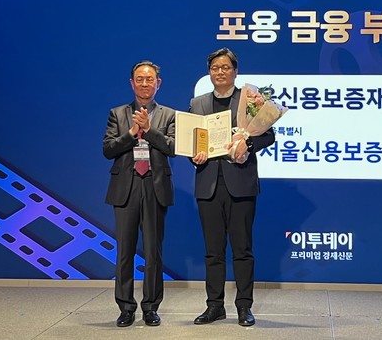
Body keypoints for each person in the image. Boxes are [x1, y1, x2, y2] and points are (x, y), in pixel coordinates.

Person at [189, 48, 275, 327]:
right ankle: (214, 306)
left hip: (241, 183)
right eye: (215, 68)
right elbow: (191, 140)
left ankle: (244, 306)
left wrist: (247, 143)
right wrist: (194, 154)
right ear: (209, 72)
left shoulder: (250, 100)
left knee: (242, 249)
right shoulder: (197, 104)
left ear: (235, 71)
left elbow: (269, 135)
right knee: (212, 251)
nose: (220, 72)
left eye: (226, 67)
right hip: (208, 184)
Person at [102, 60, 176, 328]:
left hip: (155, 186)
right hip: (127, 185)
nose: (145, 84)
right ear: (132, 83)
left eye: (150, 79)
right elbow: (108, 149)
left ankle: (151, 307)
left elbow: (172, 147)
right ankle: (125, 308)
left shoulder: (169, 115)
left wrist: (149, 130)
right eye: (140, 79)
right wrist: (133, 133)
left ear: (159, 83)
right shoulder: (117, 113)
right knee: (125, 251)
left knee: (154, 251)